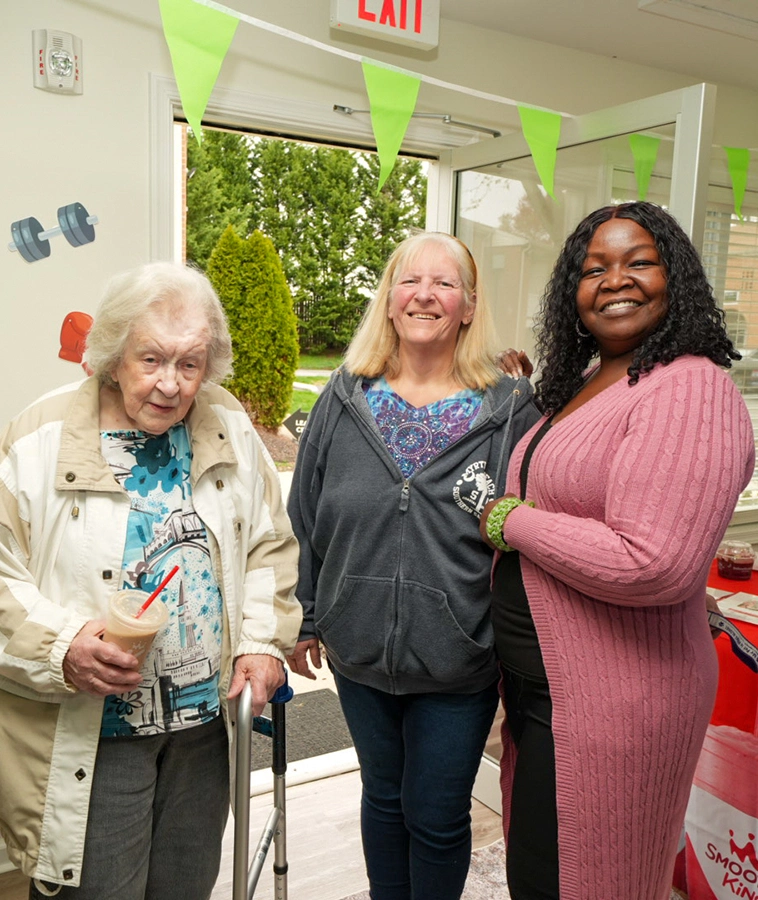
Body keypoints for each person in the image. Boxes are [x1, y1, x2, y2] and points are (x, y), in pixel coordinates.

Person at [479, 201, 755, 900]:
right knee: (541, 873)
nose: (615, 280)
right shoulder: (589, 382)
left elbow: (653, 561)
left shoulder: (690, 387)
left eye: (639, 262)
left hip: (617, 706)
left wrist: (512, 522)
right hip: (548, 696)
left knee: (594, 882)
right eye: (594, 268)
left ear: (675, 278)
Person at [0, 262, 302, 899]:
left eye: (190, 363)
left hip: (205, 730)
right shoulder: (40, 437)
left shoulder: (227, 423)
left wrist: (260, 643)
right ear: (114, 355)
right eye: (152, 359)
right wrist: (63, 645)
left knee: (186, 886)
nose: (171, 383)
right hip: (93, 735)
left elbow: (267, 545)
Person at [286, 231, 541, 900]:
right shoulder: (344, 396)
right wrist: (305, 616)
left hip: (461, 656)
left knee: (436, 814)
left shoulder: (509, 409)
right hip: (357, 648)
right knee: (383, 796)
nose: (425, 295)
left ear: (468, 306)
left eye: (444, 283)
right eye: (410, 280)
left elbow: (533, 531)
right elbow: (303, 513)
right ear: (389, 299)